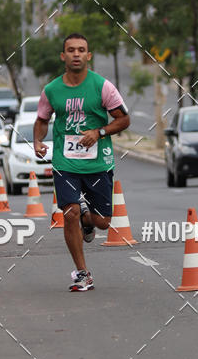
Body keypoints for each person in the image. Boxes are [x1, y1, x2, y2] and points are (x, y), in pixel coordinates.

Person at [34, 33, 130, 292]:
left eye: (81, 50)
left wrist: (99, 132)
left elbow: (123, 119)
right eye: (71, 50)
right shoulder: (51, 90)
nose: (76, 54)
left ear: (88, 55)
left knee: (103, 222)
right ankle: (82, 273)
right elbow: (42, 119)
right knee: (69, 213)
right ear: (63, 56)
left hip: (98, 163)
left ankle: (88, 219)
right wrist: (37, 140)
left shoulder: (102, 86)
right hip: (65, 162)